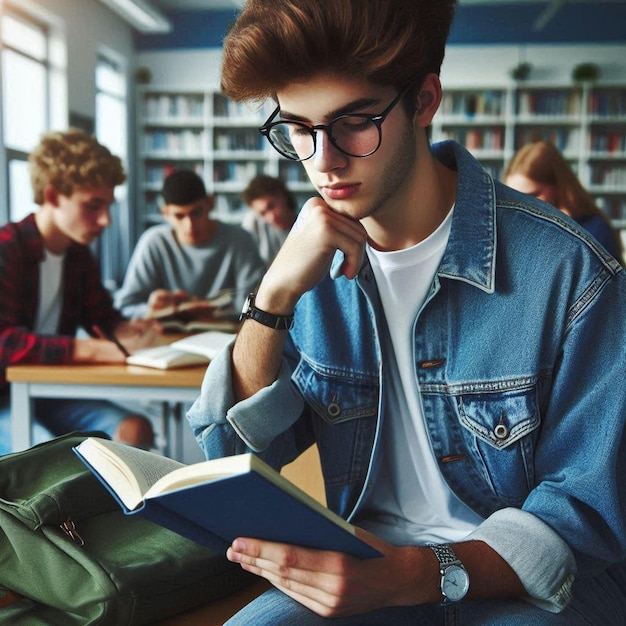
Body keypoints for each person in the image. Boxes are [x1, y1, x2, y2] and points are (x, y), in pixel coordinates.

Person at [187, 1, 626, 624]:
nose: (324, 160)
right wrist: (272, 299)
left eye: (354, 123)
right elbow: (241, 458)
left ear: (423, 102)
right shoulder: (306, 264)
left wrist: (419, 574)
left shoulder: (570, 270)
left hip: (532, 585)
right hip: (363, 567)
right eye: (299, 128)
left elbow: (588, 512)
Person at [0, 129, 159, 455]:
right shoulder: (7, 248)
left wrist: (132, 330)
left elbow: (102, 316)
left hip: (51, 389)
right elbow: (4, 344)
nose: (105, 220)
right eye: (93, 206)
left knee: (135, 430)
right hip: (5, 396)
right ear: (54, 196)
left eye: (108, 206)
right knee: (48, 455)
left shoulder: (78, 254)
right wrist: (92, 350)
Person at [115, 169, 264, 319]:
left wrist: (216, 314)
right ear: (165, 214)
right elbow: (125, 306)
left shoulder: (240, 240)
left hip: (227, 336)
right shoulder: (153, 242)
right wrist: (149, 310)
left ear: (210, 204)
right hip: (168, 338)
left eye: (196, 213)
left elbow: (258, 306)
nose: (190, 225)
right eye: (179, 216)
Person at [504, 140, 624, 263]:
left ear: (559, 187)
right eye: (513, 198)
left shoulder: (594, 231)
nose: (520, 206)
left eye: (532, 195)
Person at [241, 174, 297, 265]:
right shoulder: (253, 222)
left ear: (282, 196)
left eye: (271, 206)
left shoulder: (306, 223)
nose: (272, 217)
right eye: (263, 213)